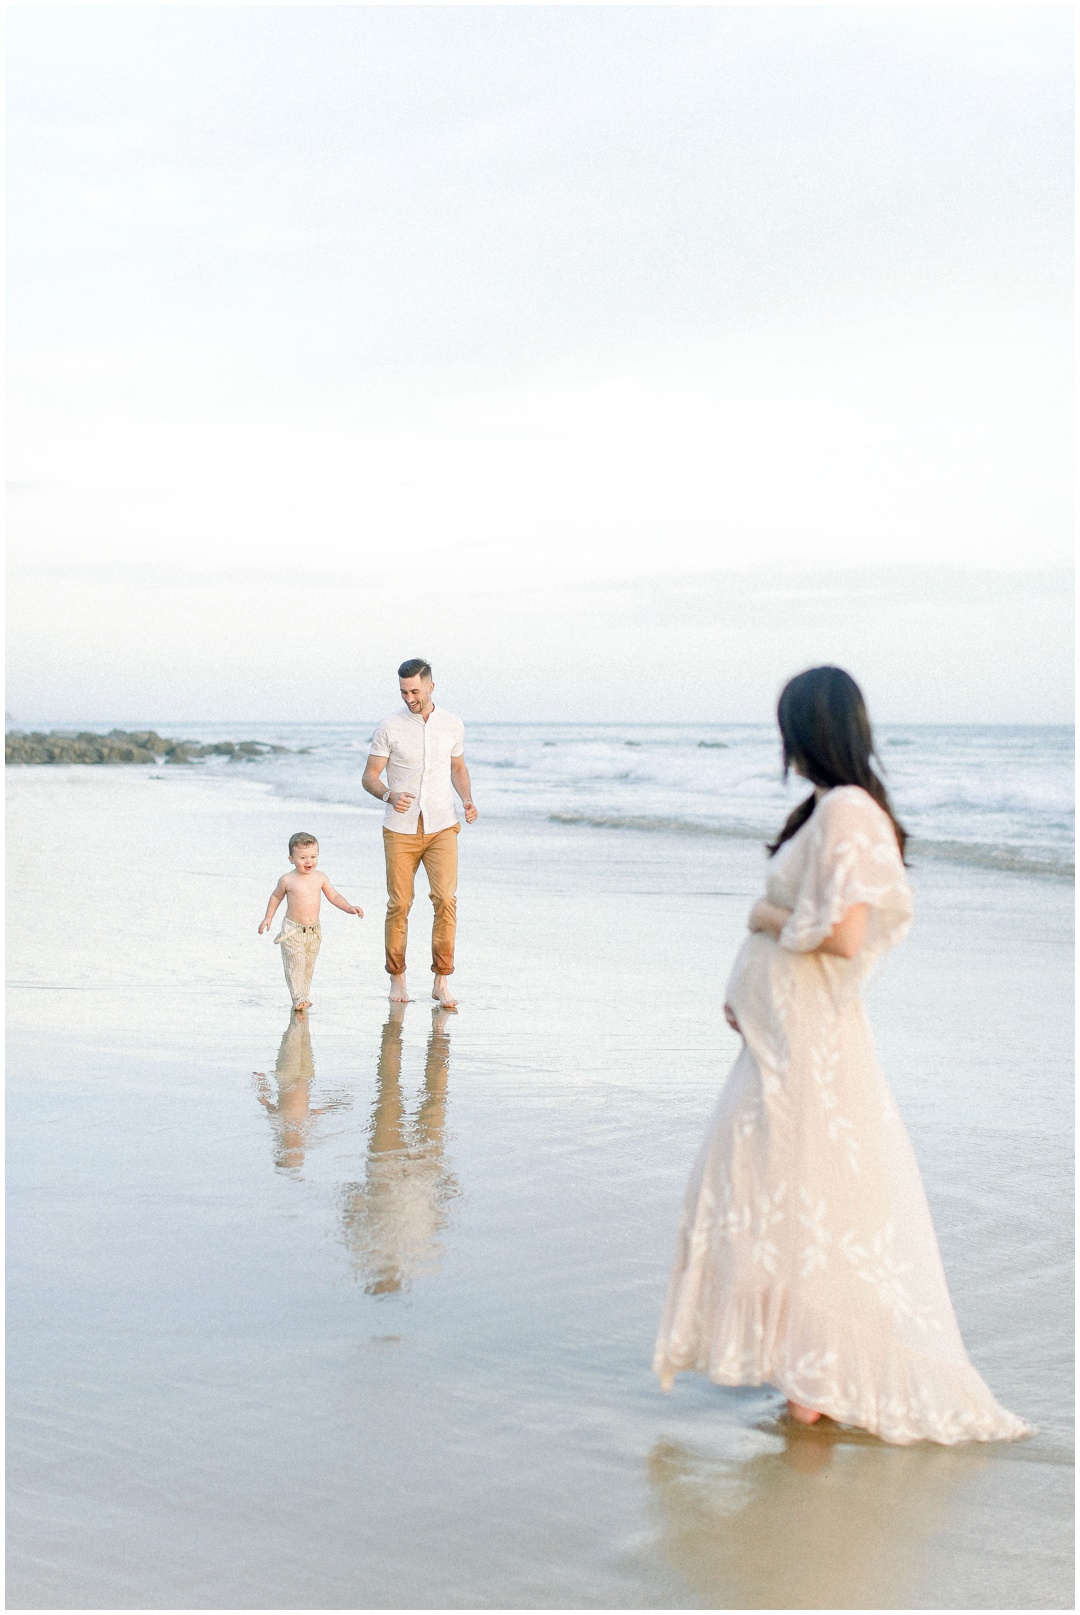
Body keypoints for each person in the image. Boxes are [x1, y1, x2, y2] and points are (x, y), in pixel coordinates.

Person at [653, 665, 1032, 1445]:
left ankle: (814, 1382)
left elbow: (847, 932)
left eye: (788, 724)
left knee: (801, 1188)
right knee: (771, 1186)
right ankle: (806, 1375)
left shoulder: (850, 810)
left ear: (810, 728)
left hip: (807, 1051)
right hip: (782, 1043)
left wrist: (764, 917)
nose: (782, 741)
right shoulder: (826, 806)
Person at [362, 658, 478, 1009]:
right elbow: (369, 775)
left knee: (445, 900)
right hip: (400, 829)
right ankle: (397, 978)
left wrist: (468, 800)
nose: (409, 697)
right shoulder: (389, 726)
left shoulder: (452, 724)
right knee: (400, 903)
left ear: (430, 686)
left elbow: (457, 766)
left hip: (443, 823)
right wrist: (388, 794)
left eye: (414, 690)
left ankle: (441, 981)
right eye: (403, 691)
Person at [258, 832, 363, 1011]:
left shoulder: (320, 877)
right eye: (303, 857)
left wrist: (349, 907)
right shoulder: (287, 880)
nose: (309, 861)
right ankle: (298, 998)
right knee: (296, 964)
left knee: (307, 966)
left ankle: (303, 995)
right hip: (293, 930)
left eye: (313, 857)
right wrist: (268, 918)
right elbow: (276, 897)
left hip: (314, 931)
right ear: (291, 859)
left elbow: (334, 896)